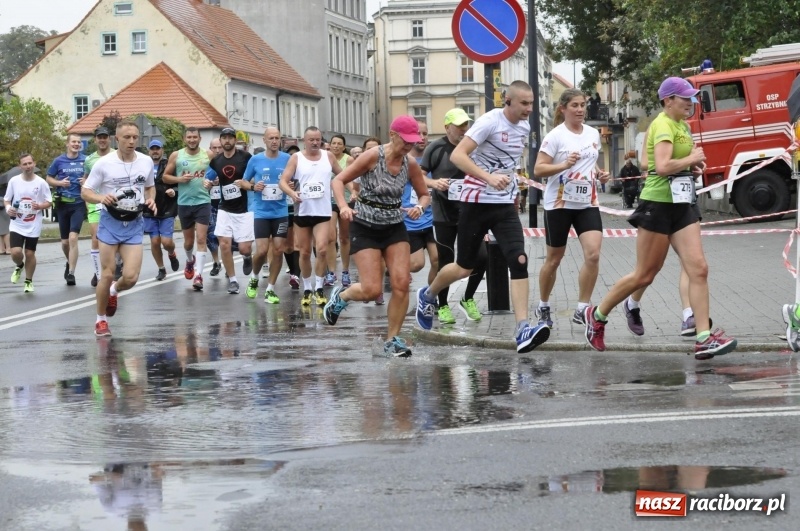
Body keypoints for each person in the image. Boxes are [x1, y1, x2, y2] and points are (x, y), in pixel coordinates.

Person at [582, 77, 737, 359]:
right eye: (685, 98)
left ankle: (704, 337)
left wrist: (694, 168)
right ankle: (598, 315)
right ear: (668, 101)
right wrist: (689, 161)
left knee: (699, 268)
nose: (690, 103)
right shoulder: (663, 124)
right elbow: (662, 166)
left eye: (691, 98)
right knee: (645, 273)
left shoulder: (683, 126)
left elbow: (676, 164)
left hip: (682, 205)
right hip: (657, 204)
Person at [414, 81, 551, 353]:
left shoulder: (524, 128)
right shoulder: (489, 122)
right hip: (475, 203)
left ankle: (522, 328)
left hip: (503, 206)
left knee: (519, 260)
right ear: (508, 102)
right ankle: (427, 295)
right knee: (464, 266)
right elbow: (457, 155)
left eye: (531, 103)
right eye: (524, 103)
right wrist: (488, 177)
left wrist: (513, 181)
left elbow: (509, 163)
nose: (529, 109)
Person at [324, 115, 431, 357]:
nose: (409, 146)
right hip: (365, 225)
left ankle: (393, 339)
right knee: (372, 290)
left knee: (402, 283)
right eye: (405, 141)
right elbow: (339, 181)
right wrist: (342, 206)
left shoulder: (410, 164)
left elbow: (425, 194)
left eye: (413, 142)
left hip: (394, 225)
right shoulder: (373, 157)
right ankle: (342, 296)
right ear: (392, 135)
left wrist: (420, 207)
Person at [534, 88, 609, 329]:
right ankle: (543, 304)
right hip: (559, 204)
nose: (580, 110)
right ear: (563, 109)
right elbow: (539, 169)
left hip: (587, 202)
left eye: (582, 105)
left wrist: (600, 173)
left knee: (594, 255)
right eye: (575, 105)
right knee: (554, 259)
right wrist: (563, 165)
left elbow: (592, 159)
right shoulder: (555, 136)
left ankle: (582, 308)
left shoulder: (592, 133)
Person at [82, 120, 156, 337]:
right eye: (127, 137)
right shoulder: (104, 163)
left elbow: (150, 188)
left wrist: (152, 200)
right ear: (117, 139)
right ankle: (101, 320)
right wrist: (101, 197)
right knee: (106, 274)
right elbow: (86, 192)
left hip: (134, 222)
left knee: (131, 277)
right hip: (110, 222)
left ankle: (114, 291)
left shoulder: (145, 161)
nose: (132, 141)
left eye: (135, 137)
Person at [421, 107, 487, 323]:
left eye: (466, 125)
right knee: (445, 260)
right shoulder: (436, 148)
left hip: (471, 211)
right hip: (444, 213)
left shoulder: (473, 147)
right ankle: (442, 305)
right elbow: (419, 177)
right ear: (447, 127)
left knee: (482, 257)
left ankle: (467, 298)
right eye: (459, 125)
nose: (463, 129)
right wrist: (433, 182)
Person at [279, 126, 343, 306]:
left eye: (318, 139)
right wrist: (291, 193)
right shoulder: (296, 158)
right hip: (303, 210)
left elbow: (342, 175)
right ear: (304, 141)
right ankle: (307, 289)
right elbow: (283, 181)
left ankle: (319, 287)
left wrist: (353, 189)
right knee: (305, 252)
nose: (315, 143)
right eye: (311, 140)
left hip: (322, 211)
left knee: (322, 249)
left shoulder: (328, 156)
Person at [242, 127, 291, 303]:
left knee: (278, 250)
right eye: (271, 138)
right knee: (262, 251)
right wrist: (253, 187)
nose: (274, 141)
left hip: (280, 211)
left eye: (277, 138)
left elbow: (296, 179)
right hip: (261, 212)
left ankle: (270, 289)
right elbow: (242, 181)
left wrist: (292, 185)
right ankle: (254, 278)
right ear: (264, 140)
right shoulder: (256, 160)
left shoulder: (287, 159)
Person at [163, 127, 214, 291]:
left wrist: (212, 182)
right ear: (185, 139)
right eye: (189, 137)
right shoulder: (177, 155)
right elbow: (165, 176)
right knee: (188, 242)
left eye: (195, 137)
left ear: (200, 138)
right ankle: (189, 260)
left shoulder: (208, 155)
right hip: (184, 203)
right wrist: (179, 179)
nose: (192, 140)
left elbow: (218, 174)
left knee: (201, 239)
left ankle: (199, 275)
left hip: (203, 201)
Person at [206, 127, 254, 294]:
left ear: (235, 140)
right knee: (224, 245)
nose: (227, 141)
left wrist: (249, 183)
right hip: (224, 208)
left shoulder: (245, 157)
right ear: (220, 140)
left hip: (244, 208)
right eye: (224, 138)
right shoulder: (216, 161)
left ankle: (247, 257)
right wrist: (207, 182)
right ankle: (233, 281)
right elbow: (208, 176)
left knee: (244, 248)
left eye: (230, 138)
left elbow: (254, 174)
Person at [4, 153, 52, 293]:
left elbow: (49, 202)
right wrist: (9, 209)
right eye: (24, 164)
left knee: (30, 253)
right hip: (17, 223)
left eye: (29, 163)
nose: (28, 166)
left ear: (34, 163)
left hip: (33, 223)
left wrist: (39, 206)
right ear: (20, 166)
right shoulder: (14, 181)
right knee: (15, 252)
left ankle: (28, 281)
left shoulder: (41, 182)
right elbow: (7, 200)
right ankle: (19, 265)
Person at [46, 133, 87, 286]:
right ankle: (69, 261)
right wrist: (59, 183)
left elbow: (96, 177)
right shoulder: (59, 161)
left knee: (73, 238)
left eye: (78, 142)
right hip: (63, 205)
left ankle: (71, 273)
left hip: (78, 203)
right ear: (67, 144)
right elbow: (48, 178)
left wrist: (86, 180)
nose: (76, 144)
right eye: (73, 142)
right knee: (64, 243)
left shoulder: (85, 160)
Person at [143, 139, 180, 280]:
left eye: (157, 148)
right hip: (149, 209)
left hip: (167, 208)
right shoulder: (143, 165)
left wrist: (173, 191)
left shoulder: (168, 165)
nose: (155, 151)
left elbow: (178, 183)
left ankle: (172, 253)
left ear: (162, 150)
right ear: (148, 151)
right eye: (152, 149)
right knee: (154, 242)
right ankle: (161, 269)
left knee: (166, 242)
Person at [83, 127, 115, 287]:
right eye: (99, 137)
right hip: (96, 203)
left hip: (115, 203)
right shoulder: (89, 160)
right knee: (96, 239)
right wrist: (88, 203)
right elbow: (86, 183)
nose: (102, 140)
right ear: (95, 140)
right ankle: (99, 275)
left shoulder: (118, 155)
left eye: (105, 137)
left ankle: (114, 266)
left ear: (110, 139)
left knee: (114, 240)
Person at [325, 134, 355, 287]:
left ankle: (345, 271)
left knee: (344, 238)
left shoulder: (348, 160)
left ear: (344, 147)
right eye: (333, 143)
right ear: (329, 145)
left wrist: (354, 192)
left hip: (345, 200)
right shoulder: (325, 158)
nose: (336, 146)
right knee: (330, 237)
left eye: (339, 144)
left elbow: (349, 178)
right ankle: (331, 272)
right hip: (329, 201)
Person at [206, 138, 223, 277]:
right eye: (214, 148)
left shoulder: (228, 162)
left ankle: (227, 261)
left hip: (226, 204)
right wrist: (209, 183)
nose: (217, 151)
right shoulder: (205, 164)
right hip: (209, 203)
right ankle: (216, 262)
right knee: (211, 235)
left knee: (225, 237)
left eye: (219, 147)